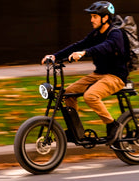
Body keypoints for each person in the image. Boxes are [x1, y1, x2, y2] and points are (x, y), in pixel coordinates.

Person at [41, 1, 129, 145]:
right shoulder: (95, 34)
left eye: (94, 16)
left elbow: (105, 47)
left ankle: (112, 124)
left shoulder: (116, 34)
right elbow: (79, 45)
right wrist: (55, 56)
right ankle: (74, 129)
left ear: (105, 18)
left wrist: (85, 52)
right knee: (67, 93)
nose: (91, 19)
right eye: (91, 16)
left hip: (116, 76)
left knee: (91, 96)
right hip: (98, 74)